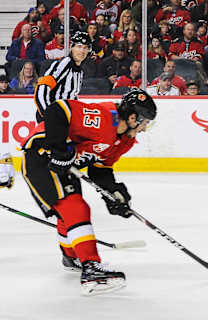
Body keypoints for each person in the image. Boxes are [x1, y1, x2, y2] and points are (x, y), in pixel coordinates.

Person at [20, 88, 157, 295]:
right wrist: (58, 148)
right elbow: (58, 110)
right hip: (41, 157)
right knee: (76, 208)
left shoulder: (125, 141)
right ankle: (91, 268)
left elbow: (100, 170)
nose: (144, 129)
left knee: (70, 215)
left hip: (65, 165)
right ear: (132, 117)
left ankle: (72, 257)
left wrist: (114, 194)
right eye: (145, 122)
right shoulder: (102, 118)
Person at [34, 31, 92, 123]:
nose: (82, 51)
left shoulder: (79, 70)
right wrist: (48, 114)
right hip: (53, 116)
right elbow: (43, 86)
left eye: (85, 48)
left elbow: (72, 96)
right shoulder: (65, 63)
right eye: (79, 46)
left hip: (64, 117)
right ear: (71, 48)